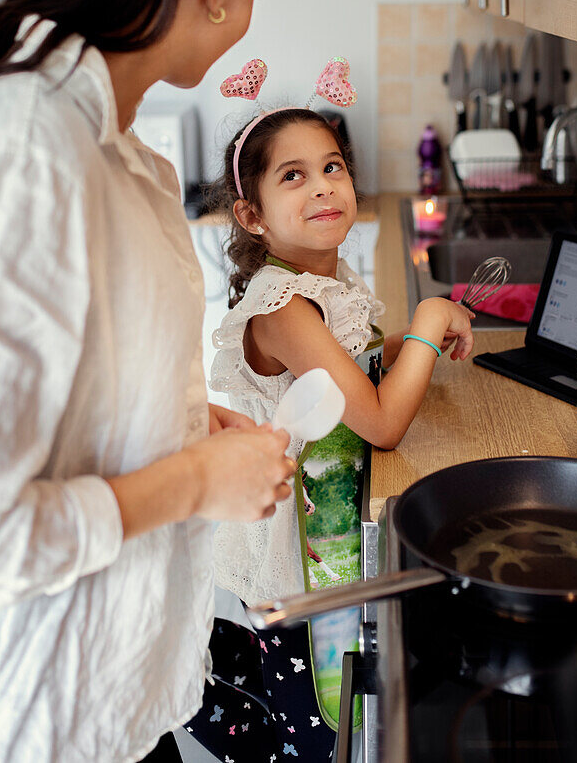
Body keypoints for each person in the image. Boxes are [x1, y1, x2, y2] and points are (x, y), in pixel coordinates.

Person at [0, 0, 298, 763]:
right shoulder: (25, 149)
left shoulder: (119, 152)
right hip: (44, 725)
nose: (247, 19)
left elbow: (66, 402)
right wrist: (197, 476)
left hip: (118, 700)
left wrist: (180, 424)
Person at [186, 104, 474, 762]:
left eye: (331, 167)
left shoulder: (324, 279)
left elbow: (351, 370)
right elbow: (378, 423)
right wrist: (428, 319)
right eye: (293, 175)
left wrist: (408, 342)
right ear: (251, 216)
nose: (321, 186)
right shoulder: (282, 306)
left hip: (333, 541)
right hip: (301, 559)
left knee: (332, 702)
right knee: (325, 726)